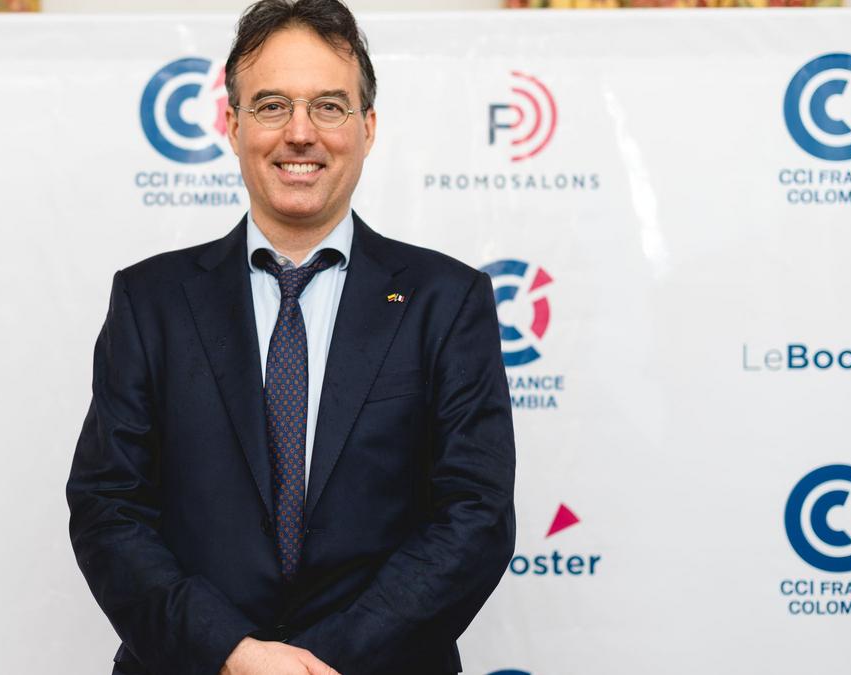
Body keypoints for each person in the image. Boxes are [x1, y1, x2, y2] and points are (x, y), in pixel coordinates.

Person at [66, 1, 516, 673]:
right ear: (232, 124)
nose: (300, 133)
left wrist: (319, 662)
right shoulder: (150, 300)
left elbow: (476, 514)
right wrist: (230, 652)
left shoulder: (447, 301)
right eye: (272, 105)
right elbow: (108, 509)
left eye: (329, 107)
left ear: (367, 127)